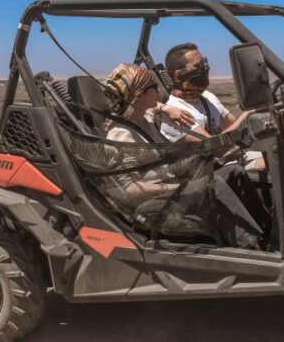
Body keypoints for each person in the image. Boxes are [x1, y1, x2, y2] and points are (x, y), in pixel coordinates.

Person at [103, 63, 266, 249]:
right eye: (153, 87)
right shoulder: (121, 135)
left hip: (173, 188)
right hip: (155, 201)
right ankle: (251, 245)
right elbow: (130, 189)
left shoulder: (143, 117)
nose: (159, 91)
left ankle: (265, 231)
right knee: (214, 186)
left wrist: (166, 109)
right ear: (139, 95)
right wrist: (176, 186)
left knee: (234, 172)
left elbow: (153, 107)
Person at [158, 42, 265, 170]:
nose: (206, 68)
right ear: (179, 75)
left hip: (234, 157)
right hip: (209, 171)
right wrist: (246, 115)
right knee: (272, 163)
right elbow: (216, 150)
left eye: (205, 62)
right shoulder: (176, 113)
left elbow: (232, 124)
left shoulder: (207, 97)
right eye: (199, 65)